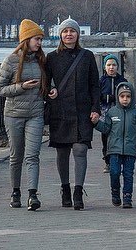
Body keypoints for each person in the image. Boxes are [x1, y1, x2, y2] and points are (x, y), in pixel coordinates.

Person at [45, 17, 99, 210]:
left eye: (72, 31)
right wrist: (50, 90)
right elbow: (45, 82)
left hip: (83, 110)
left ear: (77, 34)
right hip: (60, 110)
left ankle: (78, 190)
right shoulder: (51, 57)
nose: (69, 34)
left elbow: (95, 86)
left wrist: (95, 109)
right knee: (62, 152)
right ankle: (65, 188)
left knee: (80, 149)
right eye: (65, 31)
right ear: (60, 35)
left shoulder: (87, 56)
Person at [0, 19, 48, 211]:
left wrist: (51, 90)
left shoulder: (42, 60)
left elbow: (48, 82)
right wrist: (21, 87)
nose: (39, 43)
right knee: (16, 156)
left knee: (32, 155)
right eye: (36, 39)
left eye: (41, 39)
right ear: (26, 39)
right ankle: (15, 191)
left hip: (35, 113)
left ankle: (33, 195)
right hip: (14, 115)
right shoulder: (11, 60)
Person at [92, 83, 136, 209]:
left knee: (128, 174)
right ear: (118, 97)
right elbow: (106, 128)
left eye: (128, 96)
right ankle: (115, 192)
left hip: (130, 150)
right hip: (114, 149)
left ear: (132, 98)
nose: (125, 99)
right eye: (122, 96)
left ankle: (127, 197)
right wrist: (96, 123)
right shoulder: (112, 112)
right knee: (114, 172)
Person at [98, 54, 127, 172]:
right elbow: (97, 96)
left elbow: (127, 95)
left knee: (119, 137)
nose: (111, 67)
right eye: (109, 65)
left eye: (114, 65)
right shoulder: (101, 81)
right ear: (104, 67)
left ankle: (119, 160)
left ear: (118, 67)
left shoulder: (122, 81)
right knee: (106, 138)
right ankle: (107, 161)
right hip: (105, 114)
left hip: (119, 112)